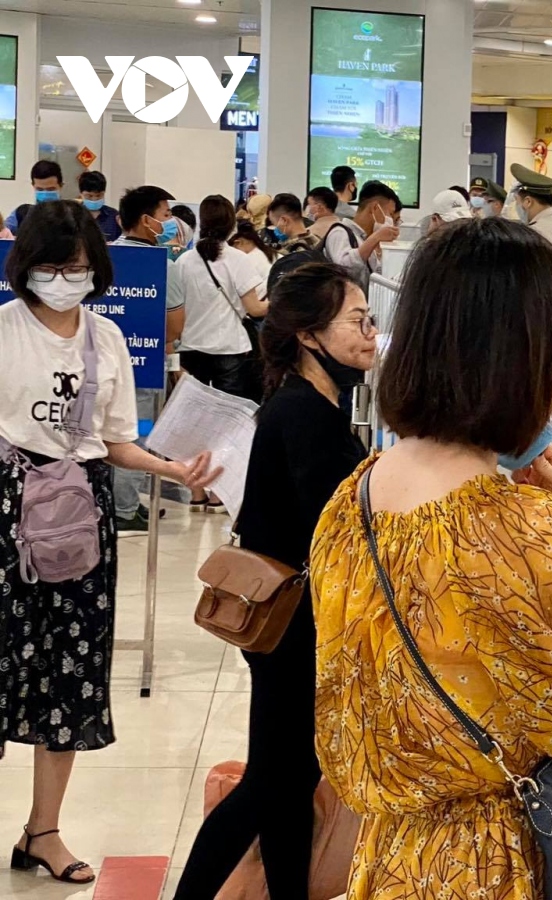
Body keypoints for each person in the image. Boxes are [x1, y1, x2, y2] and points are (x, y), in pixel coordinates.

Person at [309, 218, 552, 900]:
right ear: (518, 356)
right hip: (488, 859)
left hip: (388, 848)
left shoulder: (355, 495)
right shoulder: (524, 530)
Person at [1, 201, 218, 886]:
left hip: (78, 522)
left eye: (74, 268)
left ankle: (44, 832)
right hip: (5, 514)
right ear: (24, 268)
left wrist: (173, 468)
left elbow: (118, 442)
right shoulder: (3, 331)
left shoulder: (107, 340)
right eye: (49, 267)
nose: (62, 279)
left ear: (96, 269)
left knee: (69, 674)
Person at [173, 263, 374, 900]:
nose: (371, 334)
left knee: (288, 777)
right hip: (296, 626)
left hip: (289, 621)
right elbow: (332, 524)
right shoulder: (304, 415)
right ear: (311, 336)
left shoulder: (306, 403)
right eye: (357, 321)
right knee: (272, 781)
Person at [110, 185, 189, 531]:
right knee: (137, 433)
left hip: (104, 365)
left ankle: (114, 503)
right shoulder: (163, 266)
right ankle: (125, 509)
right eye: (166, 215)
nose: (170, 223)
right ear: (146, 220)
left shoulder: (106, 256)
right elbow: (173, 328)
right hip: (144, 366)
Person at [173, 195, 269, 401]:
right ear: (231, 224)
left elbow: (176, 308)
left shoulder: (184, 261)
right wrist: (277, 302)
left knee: (192, 411)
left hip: (191, 347)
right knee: (227, 415)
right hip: (229, 348)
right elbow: (255, 309)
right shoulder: (238, 260)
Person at [6, 160, 65, 233]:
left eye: (50, 189)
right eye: (40, 189)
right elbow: (4, 234)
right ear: (33, 186)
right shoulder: (22, 214)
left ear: (61, 186)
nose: (45, 193)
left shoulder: (73, 216)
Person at [77, 171, 120, 241]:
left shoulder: (113, 216)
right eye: (89, 196)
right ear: (81, 193)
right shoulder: (73, 215)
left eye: (99, 195)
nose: (94, 199)